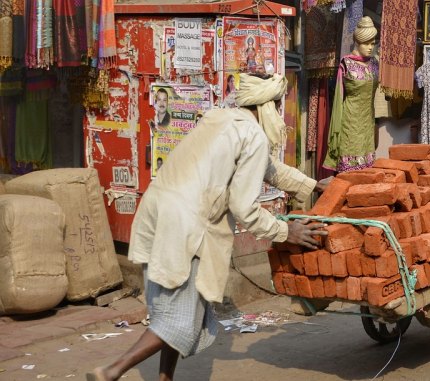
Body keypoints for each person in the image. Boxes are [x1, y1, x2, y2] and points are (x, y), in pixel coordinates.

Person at [87, 73, 329, 381]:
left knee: (177, 311)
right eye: (277, 106)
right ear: (267, 106)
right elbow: (244, 206)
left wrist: (311, 186)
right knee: (178, 321)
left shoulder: (221, 117)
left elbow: (268, 169)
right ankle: (110, 371)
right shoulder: (253, 135)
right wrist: (286, 232)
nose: (280, 114)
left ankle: (165, 378)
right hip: (187, 225)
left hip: (159, 211)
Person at [323, 16, 380, 172]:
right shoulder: (346, 63)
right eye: (366, 43)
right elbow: (338, 98)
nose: (370, 48)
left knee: (367, 171)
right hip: (350, 122)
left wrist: (378, 123)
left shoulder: (375, 63)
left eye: (373, 44)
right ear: (357, 42)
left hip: (368, 122)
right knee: (349, 171)